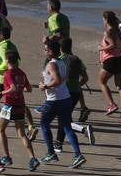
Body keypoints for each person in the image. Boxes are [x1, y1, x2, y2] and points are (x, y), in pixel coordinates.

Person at [37, 37, 86, 168]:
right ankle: (78, 155)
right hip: (65, 98)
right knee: (66, 127)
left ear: (51, 51)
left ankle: (51, 153)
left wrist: (45, 86)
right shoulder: (62, 62)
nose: (44, 51)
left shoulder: (51, 64)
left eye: (46, 49)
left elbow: (57, 80)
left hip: (54, 100)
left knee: (43, 123)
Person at [0, 49, 40, 172]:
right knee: (21, 134)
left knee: (0, 130)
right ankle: (32, 158)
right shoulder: (22, 73)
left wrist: (1, 92)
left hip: (9, 105)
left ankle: (6, 156)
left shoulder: (8, 74)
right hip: (20, 105)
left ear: (7, 60)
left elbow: (13, 88)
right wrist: (19, 89)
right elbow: (29, 89)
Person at [98, 10, 121, 118]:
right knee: (120, 86)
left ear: (106, 20)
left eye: (103, 19)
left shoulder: (108, 32)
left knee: (102, 82)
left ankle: (112, 104)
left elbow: (112, 45)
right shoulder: (117, 31)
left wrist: (101, 48)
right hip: (120, 60)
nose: (102, 21)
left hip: (111, 60)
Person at [59, 37, 92, 123]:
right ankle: (83, 107)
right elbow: (86, 78)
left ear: (60, 48)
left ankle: (81, 130)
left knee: (64, 118)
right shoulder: (76, 59)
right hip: (76, 92)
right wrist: (78, 84)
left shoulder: (59, 60)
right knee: (66, 116)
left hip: (64, 93)